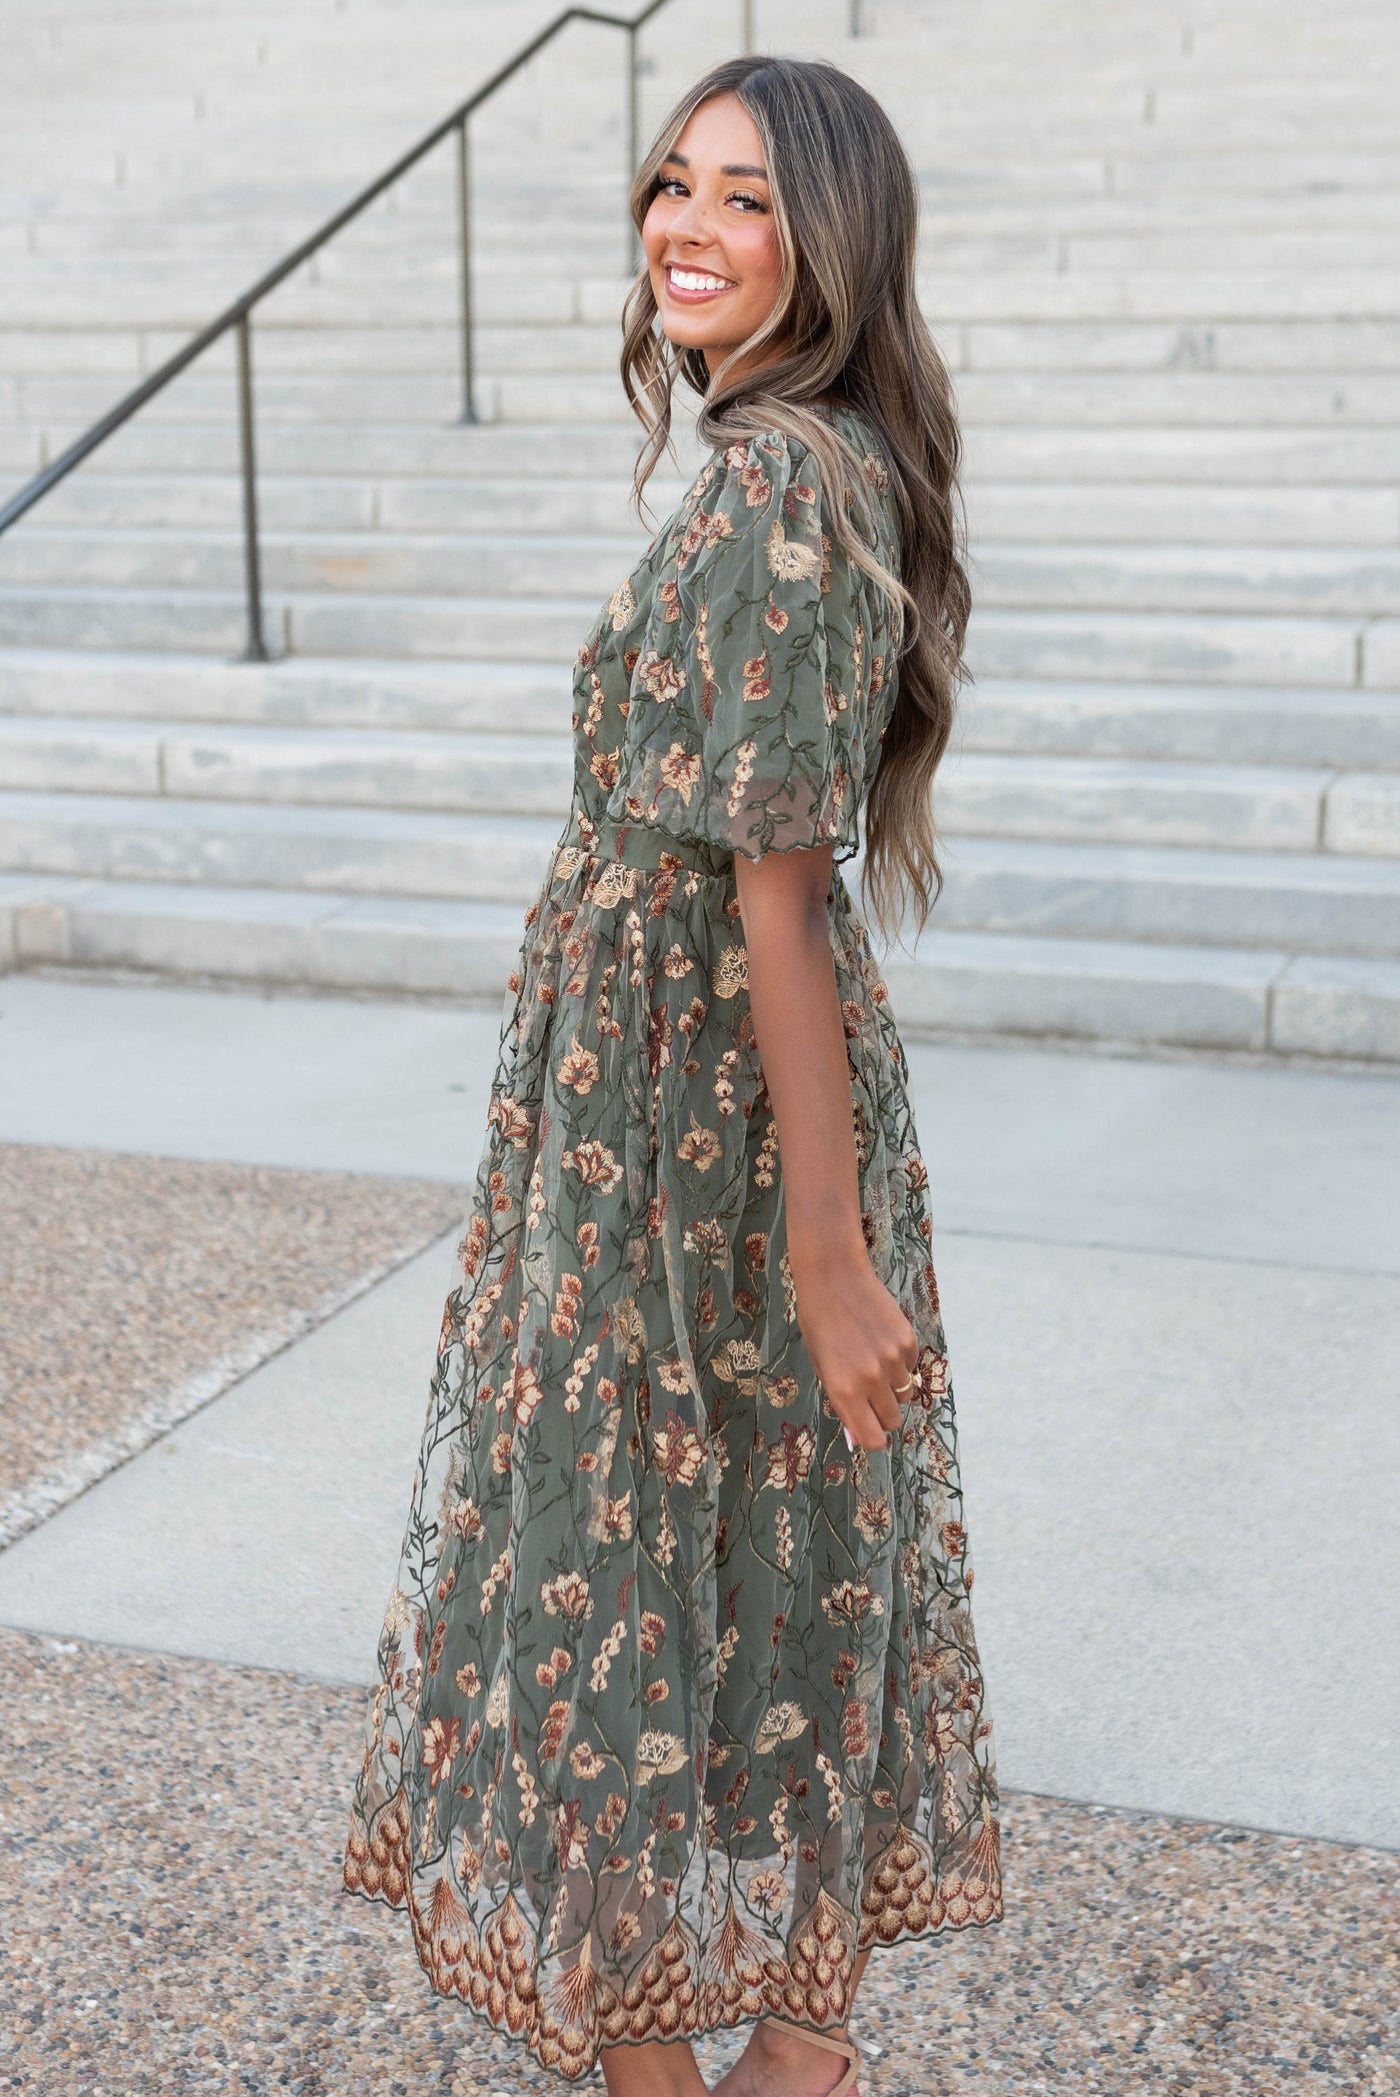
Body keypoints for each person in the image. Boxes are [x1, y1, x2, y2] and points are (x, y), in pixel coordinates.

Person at [342, 52, 1002, 2097]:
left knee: (620, 1553)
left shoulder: (784, 481)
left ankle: (746, 2073)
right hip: (674, 1088)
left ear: (831, 235)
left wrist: (824, 1245)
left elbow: (779, 887)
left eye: (742, 196)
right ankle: (784, 2059)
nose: (686, 226)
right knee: (738, 1540)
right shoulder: (798, 461)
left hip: (698, 1107)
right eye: (669, 184)